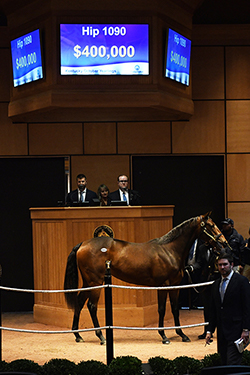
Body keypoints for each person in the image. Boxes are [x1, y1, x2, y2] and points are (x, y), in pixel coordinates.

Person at [205, 252, 250, 365]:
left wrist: (246, 329)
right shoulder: (215, 284)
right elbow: (214, 310)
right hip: (222, 332)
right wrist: (210, 330)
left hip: (237, 331)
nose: (222, 267)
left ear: (231, 264)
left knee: (232, 363)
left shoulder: (241, 281)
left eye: (225, 264)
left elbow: (247, 306)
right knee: (224, 362)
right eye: (220, 265)